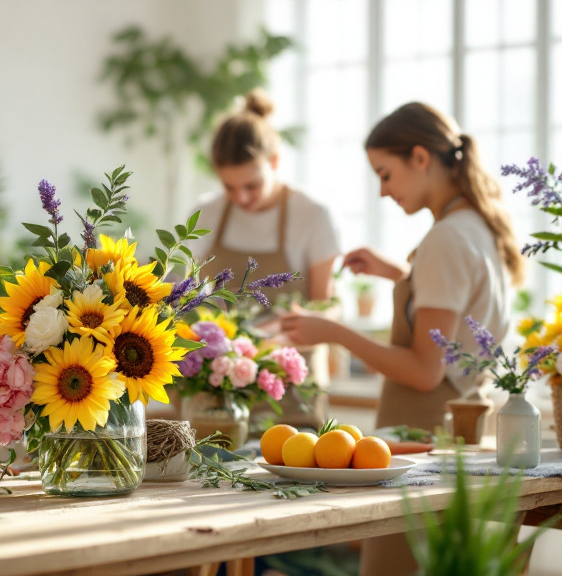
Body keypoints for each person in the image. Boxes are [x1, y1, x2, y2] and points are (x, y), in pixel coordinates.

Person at [280, 102, 524, 576]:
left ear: (419, 157)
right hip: (461, 428)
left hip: (423, 434)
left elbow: (425, 369)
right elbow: (460, 315)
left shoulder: (445, 240)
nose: (382, 191)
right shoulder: (475, 228)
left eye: (385, 174)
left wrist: (333, 332)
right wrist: (402, 276)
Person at [185, 88, 342, 428]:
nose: (240, 198)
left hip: (288, 390)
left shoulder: (312, 216)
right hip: (215, 390)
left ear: (274, 162)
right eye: (229, 187)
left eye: (252, 185)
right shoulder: (207, 213)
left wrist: (268, 333)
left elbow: (324, 307)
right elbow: (182, 292)